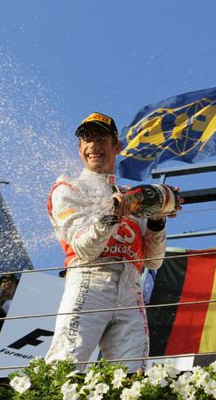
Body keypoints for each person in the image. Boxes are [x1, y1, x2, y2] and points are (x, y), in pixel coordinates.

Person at [44, 111, 179, 372]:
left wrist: (157, 220)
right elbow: (85, 248)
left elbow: (154, 260)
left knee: (133, 375)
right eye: (87, 139)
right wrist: (111, 216)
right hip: (89, 278)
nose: (93, 145)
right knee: (65, 364)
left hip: (131, 286)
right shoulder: (68, 188)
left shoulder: (134, 196)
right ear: (80, 148)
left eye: (101, 139)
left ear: (116, 147)